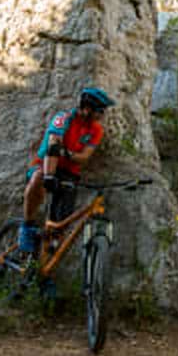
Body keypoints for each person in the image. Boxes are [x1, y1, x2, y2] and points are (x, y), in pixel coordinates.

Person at [18, 87, 116, 253]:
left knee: (60, 227)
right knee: (39, 178)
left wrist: (67, 153)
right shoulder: (64, 118)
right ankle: (26, 226)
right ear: (87, 108)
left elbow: (84, 157)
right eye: (100, 111)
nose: (102, 115)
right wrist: (49, 175)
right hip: (45, 163)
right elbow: (53, 144)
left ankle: (43, 271)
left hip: (69, 172)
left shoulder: (96, 130)